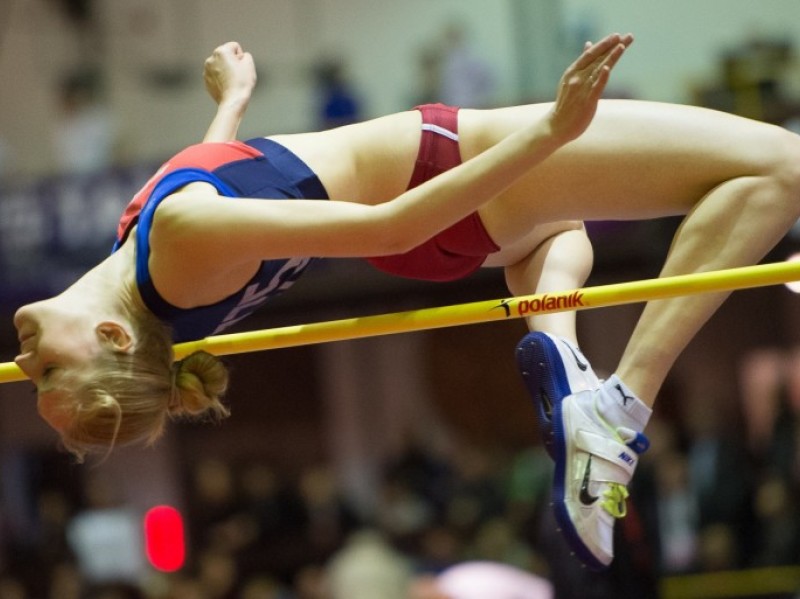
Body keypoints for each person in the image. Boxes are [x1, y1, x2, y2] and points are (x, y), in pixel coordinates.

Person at [12, 33, 800, 572]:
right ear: (114, 335)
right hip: (442, 173)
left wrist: (233, 104)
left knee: (558, 234)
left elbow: (230, 186)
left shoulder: (153, 266)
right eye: (48, 371)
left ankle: (565, 361)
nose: (22, 361)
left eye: (32, 373)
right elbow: (385, 225)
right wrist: (551, 131)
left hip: (442, 216)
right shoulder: (176, 239)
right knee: (779, 168)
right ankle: (621, 405)